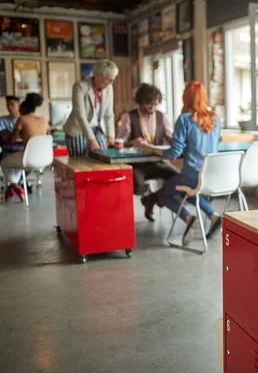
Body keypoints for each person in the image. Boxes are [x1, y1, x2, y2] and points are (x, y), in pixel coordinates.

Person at [138, 82, 222, 244]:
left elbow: (174, 152)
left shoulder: (184, 120)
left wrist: (150, 148)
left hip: (192, 175)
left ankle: (189, 218)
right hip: (210, 174)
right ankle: (214, 216)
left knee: (164, 194)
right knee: (186, 192)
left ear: (186, 98)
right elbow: (216, 142)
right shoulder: (215, 119)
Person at [117, 83, 179, 212]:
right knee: (138, 185)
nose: (153, 107)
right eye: (150, 104)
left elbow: (171, 138)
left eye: (156, 104)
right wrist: (132, 142)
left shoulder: (162, 116)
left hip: (157, 161)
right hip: (137, 164)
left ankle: (153, 198)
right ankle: (148, 195)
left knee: (176, 177)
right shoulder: (129, 117)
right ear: (141, 102)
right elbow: (122, 141)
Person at [63, 59, 118, 156]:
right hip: (78, 129)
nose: (111, 83)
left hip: (96, 128)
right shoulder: (80, 86)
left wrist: (111, 136)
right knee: (81, 162)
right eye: (109, 79)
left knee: (102, 157)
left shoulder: (109, 88)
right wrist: (91, 140)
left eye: (113, 80)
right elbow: (80, 115)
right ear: (98, 76)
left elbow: (109, 114)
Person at [1, 93, 47, 202]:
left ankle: (15, 186)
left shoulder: (22, 119)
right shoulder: (44, 120)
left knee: (3, 161)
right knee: (15, 163)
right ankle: (16, 186)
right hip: (42, 157)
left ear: (22, 107)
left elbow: (11, 140)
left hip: (26, 157)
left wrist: (5, 139)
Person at [0, 96, 21, 161]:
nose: (9, 107)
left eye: (12, 104)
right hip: (8, 150)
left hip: (22, 150)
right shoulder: (2, 120)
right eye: (8, 105)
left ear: (18, 105)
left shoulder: (24, 120)